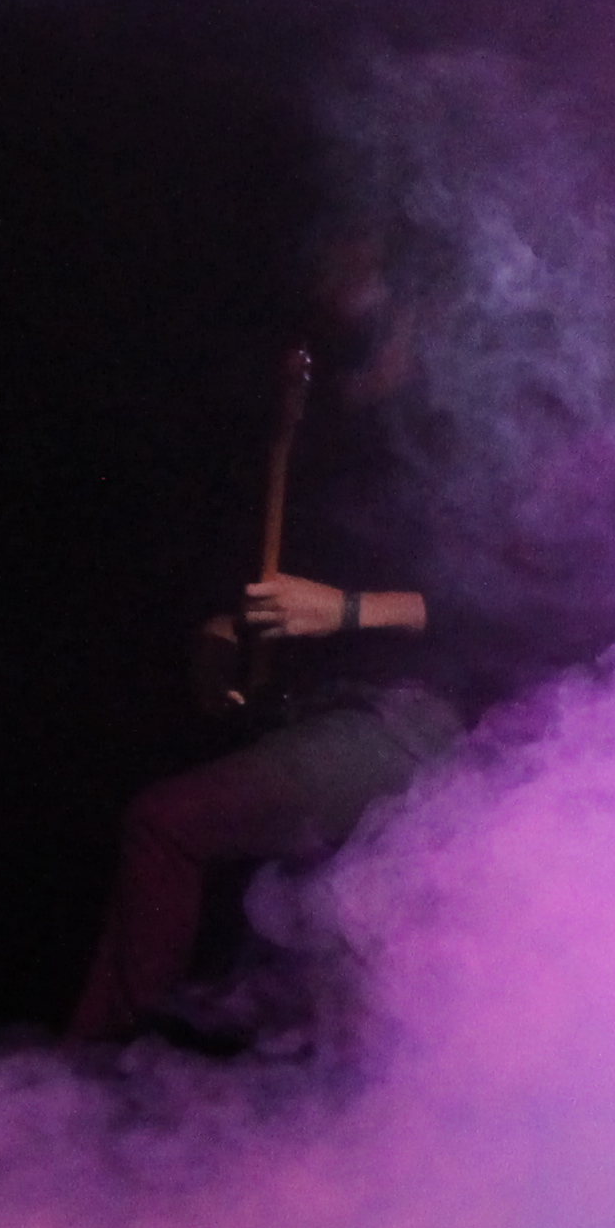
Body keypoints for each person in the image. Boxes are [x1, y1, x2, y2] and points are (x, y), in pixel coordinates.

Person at [63, 242, 474, 1047]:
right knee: (327, 976)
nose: (337, 309)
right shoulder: (320, 444)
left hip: (412, 727)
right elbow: (246, 590)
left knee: (167, 823)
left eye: (364, 283)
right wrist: (220, 638)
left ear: (425, 315)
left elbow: (506, 604)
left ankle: (96, 1069)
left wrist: (349, 611)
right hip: (309, 718)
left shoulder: (459, 438)